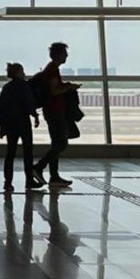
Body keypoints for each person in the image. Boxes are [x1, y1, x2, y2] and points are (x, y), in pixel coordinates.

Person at [33, 43, 80, 187]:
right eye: (65, 53)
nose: (66, 56)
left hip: (52, 110)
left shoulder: (51, 69)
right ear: (58, 55)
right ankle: (39, 167)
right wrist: (69, 87)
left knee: (56, 143)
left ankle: (54, 176)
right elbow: (54, 91)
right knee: (62, 143)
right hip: (55, 111)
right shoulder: (52, 69)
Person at [0, 62, 42, 191]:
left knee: (10, 152)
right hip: (23, 122)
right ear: (18, 73)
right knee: (28, 152)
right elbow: (29, 104)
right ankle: (29, 180)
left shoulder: (6, 87)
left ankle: (8, 182)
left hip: (10, 123)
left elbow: (1, 106)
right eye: (22, 71)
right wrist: (35, 116)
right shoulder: (24, 86)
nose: (24, 74)